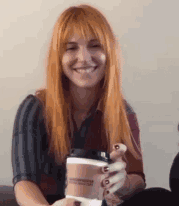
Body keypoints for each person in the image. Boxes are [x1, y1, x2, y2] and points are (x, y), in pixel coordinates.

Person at [11, 4, 147, 206]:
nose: (84, 58)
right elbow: (24, 183)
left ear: (108, 52)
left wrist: (122, 182)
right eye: (71, 47)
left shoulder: (123, 112)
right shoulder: (34, 108)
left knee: (159, 196)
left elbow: (138, 178)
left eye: (95, 45)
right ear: (58, 57)